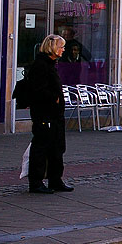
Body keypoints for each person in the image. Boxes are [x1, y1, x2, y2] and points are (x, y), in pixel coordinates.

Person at [25, 34, 73, 194]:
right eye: (61, 47)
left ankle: (55, 179)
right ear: (52, 48)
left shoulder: (51, 64)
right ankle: (36, 182)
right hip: (45, 113)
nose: (63, 50)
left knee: (57, 147)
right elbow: (38, 89)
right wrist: (55, 99)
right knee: (41, 146)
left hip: (55, 114)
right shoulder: (41, 65)